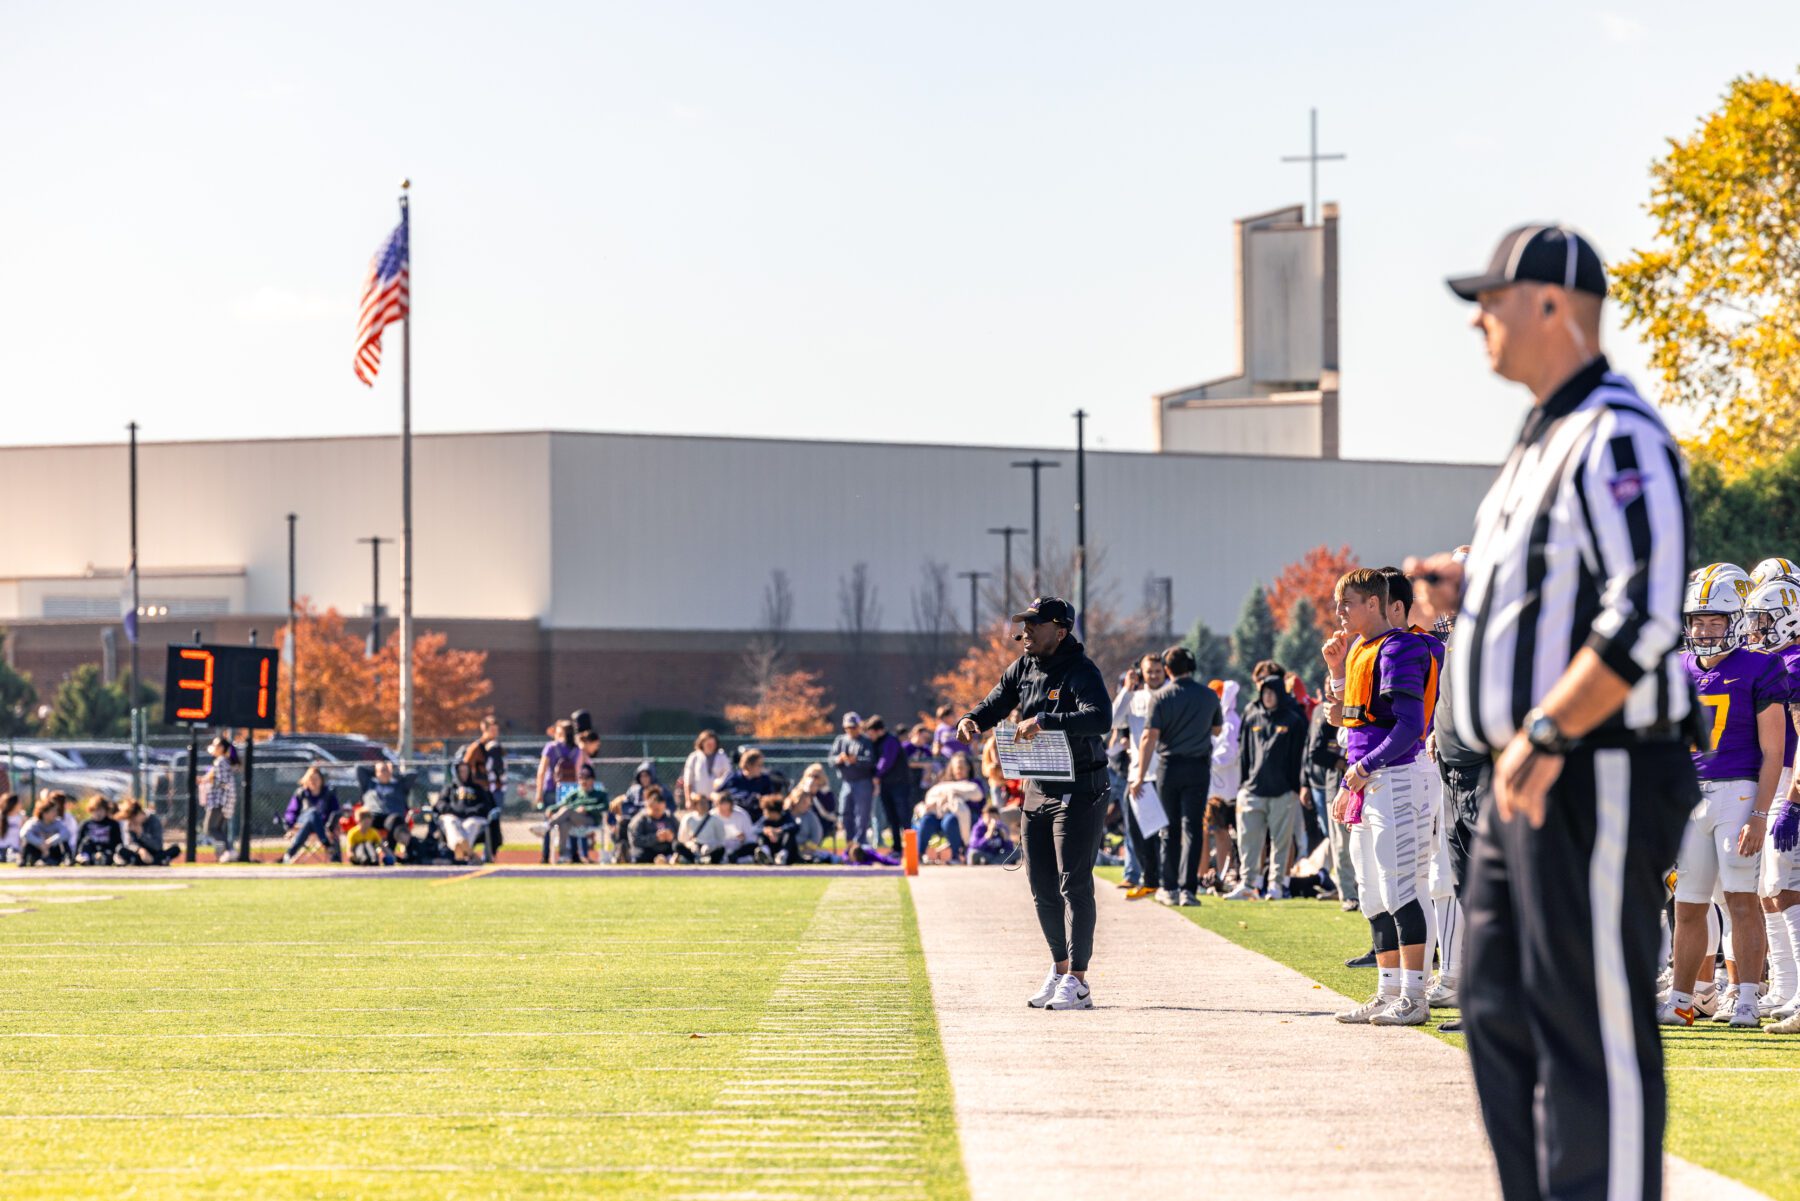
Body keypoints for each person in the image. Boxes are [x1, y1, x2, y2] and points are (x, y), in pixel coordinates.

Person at [1418, 225, 1695, 1201]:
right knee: (1496, 1007)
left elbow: (1648, 605)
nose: (1480, 320)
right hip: (1517, 772)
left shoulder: (1615, 431)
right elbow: (1550, 584)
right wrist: (1467, 586)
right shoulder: (1538, 440)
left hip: (1591, 763)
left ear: (1551, 304)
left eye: (1493, 299)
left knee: (1590, 1029)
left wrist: (1550, 728)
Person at [958, 596, 1113, 1012]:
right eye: (1023, 624)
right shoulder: (1024, 666)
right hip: (1038, 788)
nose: (1022, 633)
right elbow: (996, 700)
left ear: (1060, 631)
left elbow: (1100, 718)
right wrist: (972, 718)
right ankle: (1059, 969)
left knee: (1073, 884)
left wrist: (1046, 720)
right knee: (1042, 889)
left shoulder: (1081, 670)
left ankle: (1079, 982)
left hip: (1080, 789)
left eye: (1033, 625)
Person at [1659, 571, 1784, 1028]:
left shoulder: (1760, 666)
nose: (1704, 631)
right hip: (1691, 798)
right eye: (1697, 622)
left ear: (1733, 621)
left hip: (1739, 791)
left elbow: (1773, 751)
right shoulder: (1678, 668)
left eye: (1714, 622)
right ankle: (1681, 999)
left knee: (1740, 900)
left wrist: (1758, 812)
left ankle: (1747, 996)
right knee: (1688, 905)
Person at [1742, 574, 1800, 1030]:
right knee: (1769, 890)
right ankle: (1785, 988)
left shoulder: (1794, 664)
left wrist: (1794, 798)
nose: (1755, 629)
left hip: (1790, 779)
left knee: (1786, 885)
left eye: (1763, 620)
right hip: (1780, 779)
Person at [1132, 645, 1223, 908]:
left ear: (1168, 670)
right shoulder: (1208, 696)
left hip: (1169, 766)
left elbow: (1150, 737)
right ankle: (1188, 890)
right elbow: (1217, 730)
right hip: (1198, 766)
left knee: (1169, 828)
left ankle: (1169, 886)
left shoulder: (1161, 697)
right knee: (1193, 828)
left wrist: (1139, 775)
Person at [1228, 675, 1307, 900]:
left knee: (1281, 843)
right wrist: (1243, 784)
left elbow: (1300, 756)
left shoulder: (1293, 719)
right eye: (1264, 691)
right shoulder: (1252, 716)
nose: (1268, 696)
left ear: (1281, 693)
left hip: (1283, 792)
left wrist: (1296, 787)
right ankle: (1248, 884)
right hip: (1252, 790)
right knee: (1247, 841)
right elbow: (1244, 752)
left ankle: (1276, 885)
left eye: (1272, 691)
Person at [1110, 659, 1163, 900]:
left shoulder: (1167, 695)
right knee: (1135, 829)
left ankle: (1161, 879)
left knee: (1160, 832)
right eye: (1148, 671)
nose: (1153, 675)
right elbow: (1112, 721)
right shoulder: (1135, 698)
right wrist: (1126, 689)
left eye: (1157, 671)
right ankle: (1150, 879)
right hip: (1136, 775)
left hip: (1160, 772)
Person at [1305, 686, 1354, 910]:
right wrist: (1340, 763)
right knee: (1341, 846)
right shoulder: (1325, 716)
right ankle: (1348, 895)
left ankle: (1363, 892)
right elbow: (1314, 752)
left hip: (1361, 785)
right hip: (1336, 786)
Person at [1205, 680, 1243, 894]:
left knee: (1229, 834)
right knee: (1219, 833)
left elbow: (1228, 755)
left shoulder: (1231, 722)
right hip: (1218, 789)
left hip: (1230, 789)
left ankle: (1230, 875)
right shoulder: (1216, 721)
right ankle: (1220, 875)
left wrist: (1206, 758)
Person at [543, 761, 609, 864]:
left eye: (586, 777)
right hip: (573, 820)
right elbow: (562, 804)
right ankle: (564, 855)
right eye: (581, 778)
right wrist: (551, 808)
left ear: (592, 779)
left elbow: (605, 807)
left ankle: (547, 826)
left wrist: (587, 809)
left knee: (568, 810)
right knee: (564, 823)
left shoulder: (600, 794)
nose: (583, 781)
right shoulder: (575, 794)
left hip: (590, 820)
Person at [866, 716, 911, 854]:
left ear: (878, 730)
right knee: (892, 818)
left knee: (904, 817)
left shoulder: (890, 741)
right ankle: (897, 847)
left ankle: (911, 848)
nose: (869, 736)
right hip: (887, 785)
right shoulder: (877, 743)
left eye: (871, 732)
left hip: (899, 785)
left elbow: (886, 761)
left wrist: (877, 775)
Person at [831, 712, 876, 848]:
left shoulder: (866, 741)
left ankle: (860, 842)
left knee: (862, 814)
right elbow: (831, 759)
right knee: (845, 812)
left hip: (863, 781)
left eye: (853, 727)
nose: (850, 730)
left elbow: (871, 761)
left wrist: (856, 760)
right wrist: (839, 759)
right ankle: (849, 842)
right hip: (847, 782)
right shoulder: (840, 740)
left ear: (859, 726)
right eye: (848, 728)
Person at [355, 760, 416, 860]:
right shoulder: (369, 784)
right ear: (376, 772)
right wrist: (375, 772)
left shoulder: (398, 785)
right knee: (365, 819)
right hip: (373, 816)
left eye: (387, 770)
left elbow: (413, 774)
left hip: (391, 818)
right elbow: (359, 768)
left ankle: (389, 853)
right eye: (382, 770)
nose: (385, 773)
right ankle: (367, 854)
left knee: (396, 819)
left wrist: (394, 773)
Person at [280, 765, 342, 863]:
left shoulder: (328, 793)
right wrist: (291, 825)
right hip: (302, 822)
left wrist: (330, 826)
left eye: (316, 779)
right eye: (311, 779)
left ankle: (290, 853)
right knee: (312, 813)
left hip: (321, 825)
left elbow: (336, 811)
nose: (313, 781)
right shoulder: (301, 793)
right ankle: (328, 846)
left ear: (321, 780)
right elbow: (291, 811)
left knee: (312, 821)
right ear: (306, 780)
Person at [200, 734, 237, 863]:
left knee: (210, 829)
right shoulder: (222, 762)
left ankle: (229, 851)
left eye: (215, 745)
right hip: (222, 800)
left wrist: (210, 782)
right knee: (217, 829)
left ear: (221, 748)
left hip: (219, 801)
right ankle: (224, 853)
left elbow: (222, 782)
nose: (213, 747)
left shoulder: (221, 761)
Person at [535, 720, 586, 811]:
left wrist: (539, 793)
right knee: (567, 819)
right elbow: (579, 771)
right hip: (570, 789)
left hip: (551, 786)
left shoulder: (551, 747)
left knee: (552, 819)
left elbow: (541, 771)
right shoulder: (577, 749)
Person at [118, 798, 180, 866]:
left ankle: (146, 862)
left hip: (154, 852)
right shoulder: (130, 824)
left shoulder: (154, 820)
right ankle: (158, 862)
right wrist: (140, 850)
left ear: (139, 813)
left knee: (175, 849)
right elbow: (129, 844)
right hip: (139, 854)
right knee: (120, 849)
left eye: (133, 818)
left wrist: (141, 835)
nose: (132, 821)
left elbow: (157, 846)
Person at [681, 730, 732, 808]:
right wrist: (688, 799)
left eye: (713, 744)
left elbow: (728, 775)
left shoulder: (722, 756)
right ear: (702, 743)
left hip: (717, 799)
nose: (711, 746)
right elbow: (688, 780)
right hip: (699, 800)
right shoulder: (694, 757)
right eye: (708, 744)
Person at [626, 788, 679, 864]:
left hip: (667, 849)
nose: (658, 813)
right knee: (639, 855)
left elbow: (681, 836)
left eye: (660, 810)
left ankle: (668, 859)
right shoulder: (640, 819)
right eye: (655, 810)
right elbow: (635, 840)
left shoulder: (670, 818)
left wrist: (672, 837)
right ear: (648, 806)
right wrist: (655, 838)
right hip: (648, 850)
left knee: (679, 848)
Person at [753, 796, 802, 865]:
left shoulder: (786, 816)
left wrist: (779, 831)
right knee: (762, 836)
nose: (764, 813)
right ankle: (765, 853)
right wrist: (766, 831)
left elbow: (794, 826)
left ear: (774, 812)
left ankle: (782, 855)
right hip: (771, 849)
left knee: (788, 835)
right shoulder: (765, 819)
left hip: (787, 852)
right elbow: (755, 829)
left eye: (765, 810)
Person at [74, 796, 123, 865]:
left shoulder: (113, 824)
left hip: (107, 851)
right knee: (86, 842)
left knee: (108, 855)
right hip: (89, 851)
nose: (98, 813)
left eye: (101, 810)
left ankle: (105, 860)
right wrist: (77, 854)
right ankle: (85, 859)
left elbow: (118, 842)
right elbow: (79, 842)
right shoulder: (85, 824)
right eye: (96, 810)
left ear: (106, 811)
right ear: (91, 810)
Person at [0, 792, 23, 864]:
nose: (21, 804)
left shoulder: (22, 817)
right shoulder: (1, 816)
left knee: (13, 858)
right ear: (13, 804)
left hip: (15, 849)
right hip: (1, 848)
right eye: (19, 802)